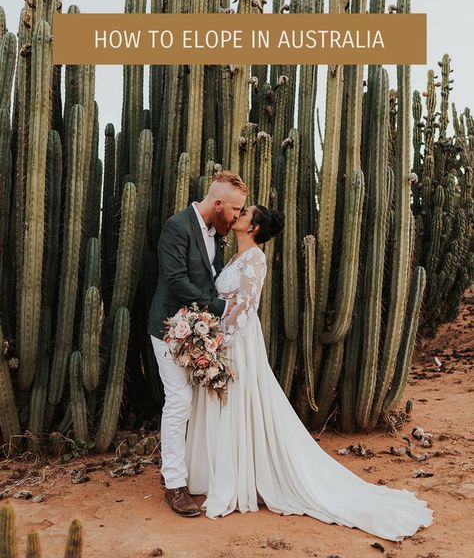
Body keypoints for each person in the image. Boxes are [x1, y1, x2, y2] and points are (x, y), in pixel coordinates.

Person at [184, 204, 435, 541]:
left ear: (254, 228)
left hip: (238, 339)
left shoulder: (255, 259)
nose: (238, 214)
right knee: (224, 399)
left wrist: (219, 340)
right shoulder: (234, 257)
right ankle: (220, 470)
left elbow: (247, 304)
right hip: (225, 334)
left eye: (245, 213)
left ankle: (238, 476)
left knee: (236, 400)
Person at [148, 171, 248, 517]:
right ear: (217, 204)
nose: (237, 217)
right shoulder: (177, 227)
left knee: (199, 405)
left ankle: (201, 473)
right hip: (167, 328)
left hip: (199, 329)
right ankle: (174, 483)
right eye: (235, 210)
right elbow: (175, 280)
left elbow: (212, 277)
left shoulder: (214, 232)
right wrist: (219, 308)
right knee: (179, 401)